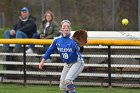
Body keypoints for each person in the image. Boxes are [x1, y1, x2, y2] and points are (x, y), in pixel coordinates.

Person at [39, 20, 88, 93]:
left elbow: (80, 49)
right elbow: (49, 51)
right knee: (63, 86)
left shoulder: (74, 39)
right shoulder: (57, 40)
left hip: (77, 62)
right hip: (67, 64)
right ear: (61, 29)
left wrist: (79, 45)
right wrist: (42, 61)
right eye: (64, 26)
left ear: (70, 29)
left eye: (68, 26)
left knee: (68, 80)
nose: (66, 28)